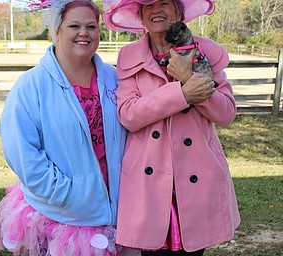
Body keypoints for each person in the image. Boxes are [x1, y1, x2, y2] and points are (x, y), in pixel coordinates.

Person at [102, 0, 240, 255]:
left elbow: (226, 113)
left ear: (179, 11)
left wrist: (190, 78)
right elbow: (128, 114)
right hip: (149, 181)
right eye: (148, 5)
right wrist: (182, 93)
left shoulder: (203, 52)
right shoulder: (129, 57)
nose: (156, 10)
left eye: (164, 2)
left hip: (196, 179)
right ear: (141, 16)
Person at [0, 0, 128, 255]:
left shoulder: (116, 78)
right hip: (62, 218)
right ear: (56, 31)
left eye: (91, 26)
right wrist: (68, 195)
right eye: (74, 25)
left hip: (116, 214)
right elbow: (23, 155)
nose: (84, 33)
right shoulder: (31, 86)